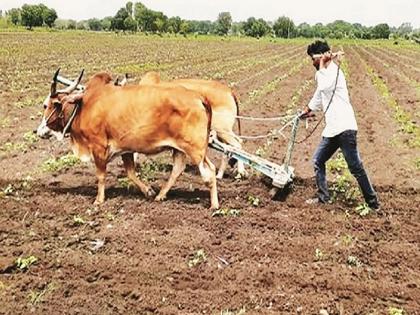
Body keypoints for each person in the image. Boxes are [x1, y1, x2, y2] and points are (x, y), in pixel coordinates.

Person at [300, 40, 380, 210]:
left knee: (356, 168)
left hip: (345, 129)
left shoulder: (333, 72)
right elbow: (319, 94)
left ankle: (373, 203)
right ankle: (323, 198)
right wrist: (306, 110)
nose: (312, 63)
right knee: (318, 160)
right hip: (332, 130)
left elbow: (323, 85)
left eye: (313, 59)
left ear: (321, 58)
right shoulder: (324, 73)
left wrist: (322, 62)